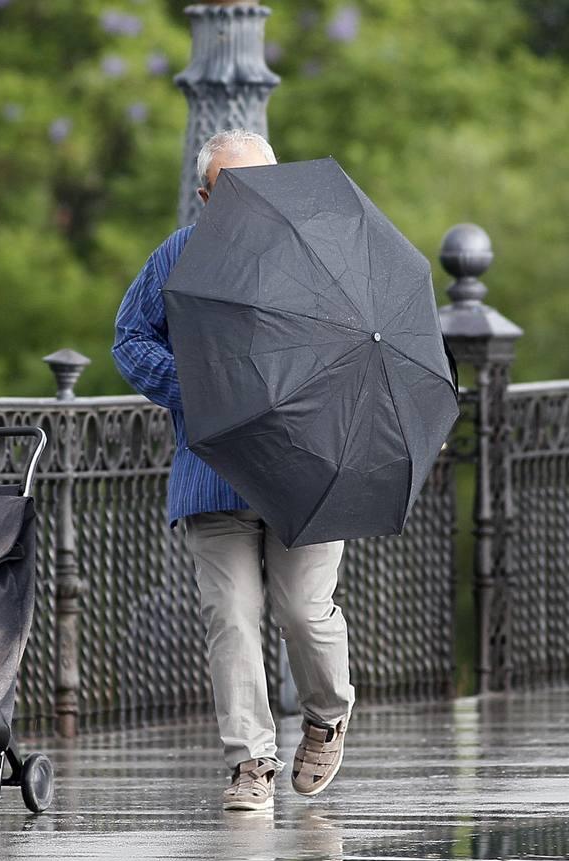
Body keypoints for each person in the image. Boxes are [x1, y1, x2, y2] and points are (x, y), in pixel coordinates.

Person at [112, 129, 354, 811]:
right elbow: (129, 339)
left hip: (304, 469)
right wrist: (197, 385)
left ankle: (328, 714)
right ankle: (252, 761)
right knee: (232, 616)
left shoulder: (319, 257)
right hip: (212, 474)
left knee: (303, 611)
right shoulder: (179, 258)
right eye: (233, 189)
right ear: (205, 196)